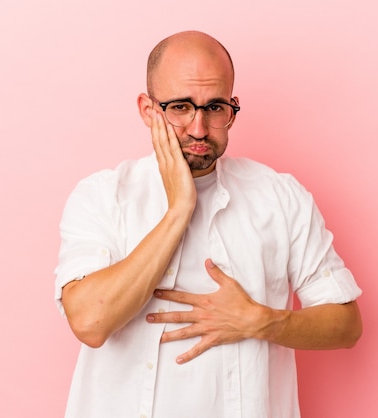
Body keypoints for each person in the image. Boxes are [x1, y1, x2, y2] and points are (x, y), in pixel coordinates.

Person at [54, 30, 362, 418]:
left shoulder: (279, 196)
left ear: (232, 108)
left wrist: (260, 321)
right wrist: (179, 211)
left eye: (215, 107)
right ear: (149, 110)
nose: (199, 129)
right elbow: (90, 322)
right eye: (181, 107)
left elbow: (346, 325)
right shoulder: (103, 195)